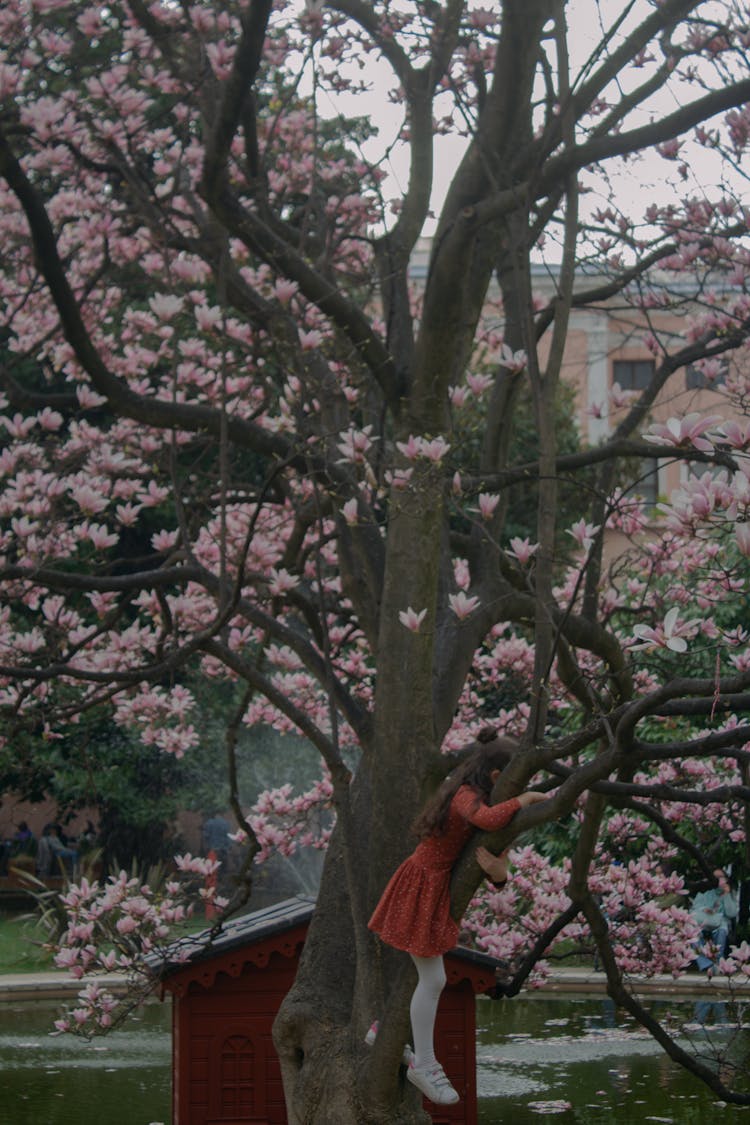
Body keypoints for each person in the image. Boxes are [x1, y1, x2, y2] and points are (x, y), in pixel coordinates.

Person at [367, 730, 548, 1106]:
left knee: (430, 978)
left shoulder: (472, 793)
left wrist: (500, 872)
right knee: (433, 978)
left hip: (428, 888)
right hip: (420, 886)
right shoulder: (467, 797)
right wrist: (524, 799)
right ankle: (425, 1063)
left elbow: (496, 858)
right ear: (498, 776)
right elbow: (488, 818)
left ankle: (385, 1033)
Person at [690, 868, 739, 973]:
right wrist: (704, 909)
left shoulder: (730, 893)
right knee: (692, 934)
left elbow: (731, 913)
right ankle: (706, 964)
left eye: (721, 877)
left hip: (720, 923)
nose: (718, 880)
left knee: (722, 932)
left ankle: (717, 963)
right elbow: (695, 908)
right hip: (703, 921)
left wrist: (726, 894)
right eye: (715, 877)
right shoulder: (705, 891)